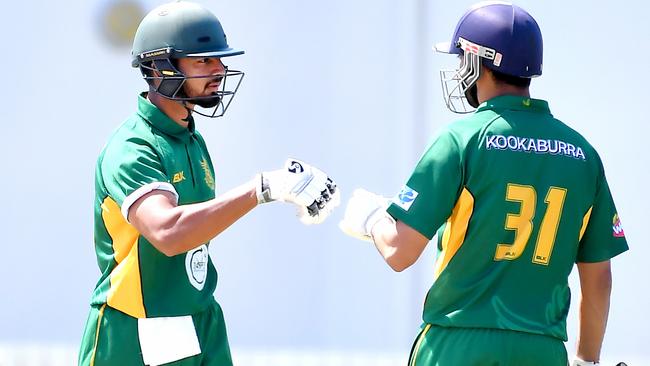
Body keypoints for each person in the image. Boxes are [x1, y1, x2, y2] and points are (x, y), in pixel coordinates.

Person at [339, 2, 628, 365]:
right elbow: (599, 276)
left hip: (459, 343)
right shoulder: (583, 153)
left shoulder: (462, 138)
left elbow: (400, 252)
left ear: (478, 62)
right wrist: (587, 360)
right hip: (542, 349)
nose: (460, 69)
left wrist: (373, 219)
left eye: (462, 59)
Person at [78, 2, 339, 365]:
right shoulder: (132, 147)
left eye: (218, 59)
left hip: (199, 317)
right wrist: (260, 189)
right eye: (202, 61)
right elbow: (168, 233)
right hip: (133, 330)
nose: (220, 69)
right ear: (158, 67)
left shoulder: (191, 139)